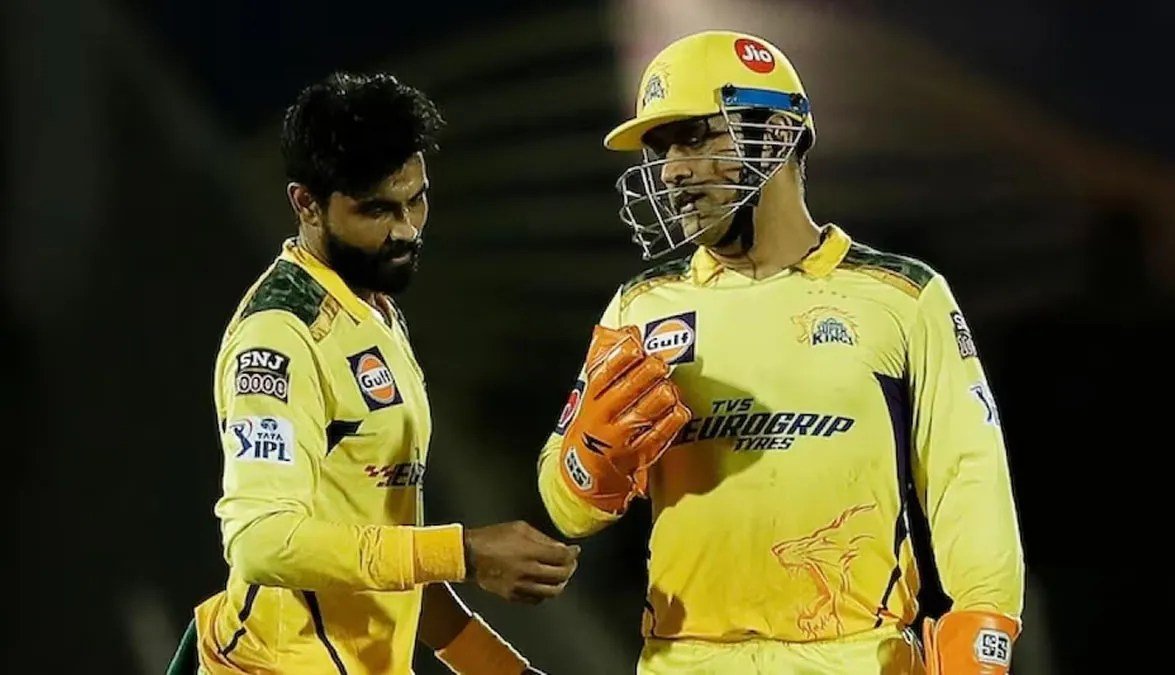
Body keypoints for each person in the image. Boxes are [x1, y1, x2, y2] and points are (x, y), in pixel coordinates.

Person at [537, 31, 1024, 674]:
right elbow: (566, 511)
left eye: (694, 137)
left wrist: (983, 626)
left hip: (856, 659)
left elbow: (968, 476)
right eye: (661, 149)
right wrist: (588, 465)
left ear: (776, 134)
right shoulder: (640, 307)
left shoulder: (904, 296)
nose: (672, 169)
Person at [172, 71, 577, 675]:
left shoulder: (375, 312)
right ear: (306, 203)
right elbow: (260, 541)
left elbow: (389, 556)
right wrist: (465, 552)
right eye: (377, 210)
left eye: (416, 199)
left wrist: (502, 671)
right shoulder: (280, 337)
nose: (406, 229)